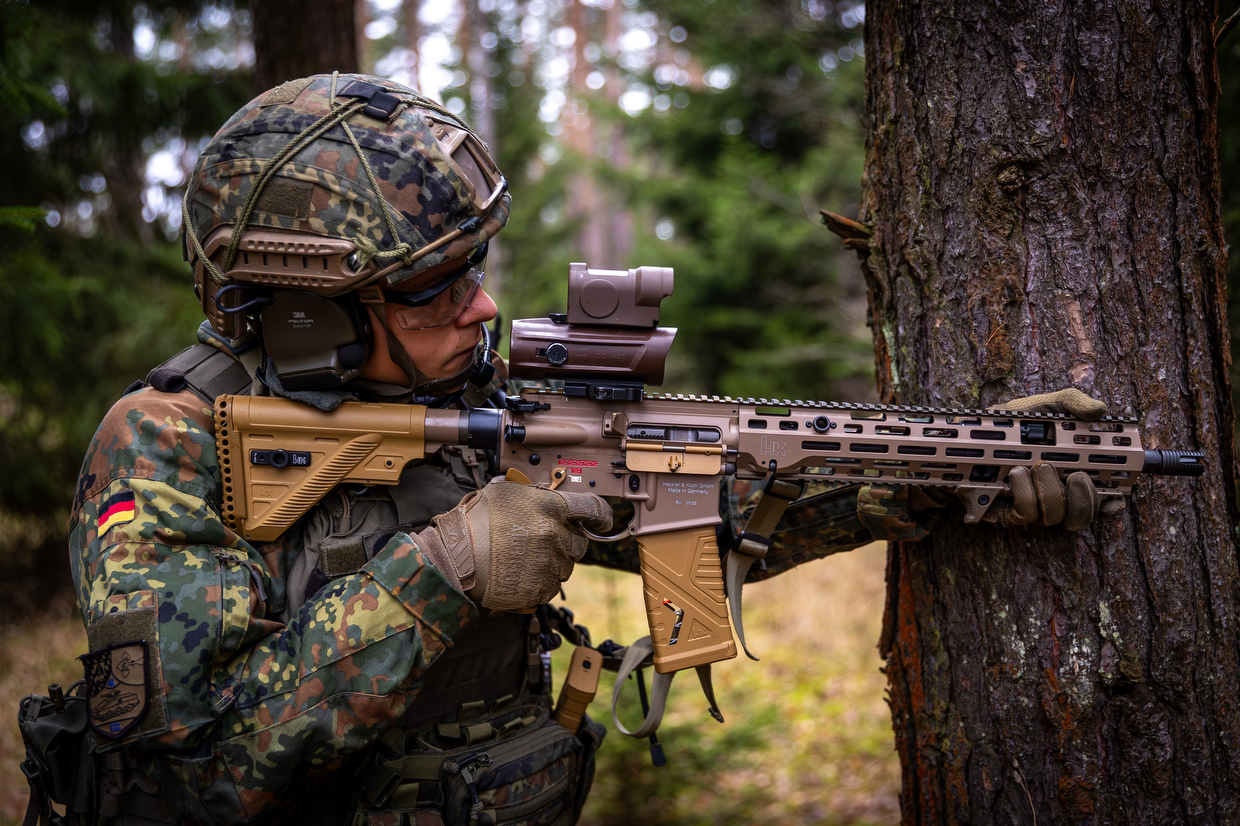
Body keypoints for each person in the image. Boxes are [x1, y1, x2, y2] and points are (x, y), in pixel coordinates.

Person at [53, 73, 1110, 826]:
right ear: (304, 313)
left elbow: (703, 500)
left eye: (476, 268)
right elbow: (192, 778)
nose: (481, 307)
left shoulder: (466, 396)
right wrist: (444, 571)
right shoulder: (166, 446)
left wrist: (942, 474)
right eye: (433, 289)